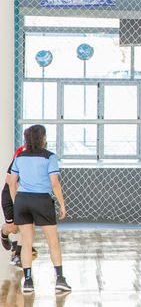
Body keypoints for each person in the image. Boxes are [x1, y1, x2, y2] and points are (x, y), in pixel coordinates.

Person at [7, 125, 71, 293]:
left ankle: (27, 282)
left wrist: (16, 201)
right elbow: (54, 183)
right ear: (43, 139)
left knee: (26, 242)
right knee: (53, 241)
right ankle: (60, 279)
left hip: (22, 201)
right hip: (42, 200)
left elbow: (11, 182)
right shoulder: (50, 157)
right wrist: (62, 204)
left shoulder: (19, 156)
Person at [1, 145, 38, 266]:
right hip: (10, 195)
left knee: (28, 226)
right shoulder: (20, 155)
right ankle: (3, 233)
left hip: (25, 197)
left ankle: (17, 254)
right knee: (13, 228)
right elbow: (9, 180)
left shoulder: (41, 159)